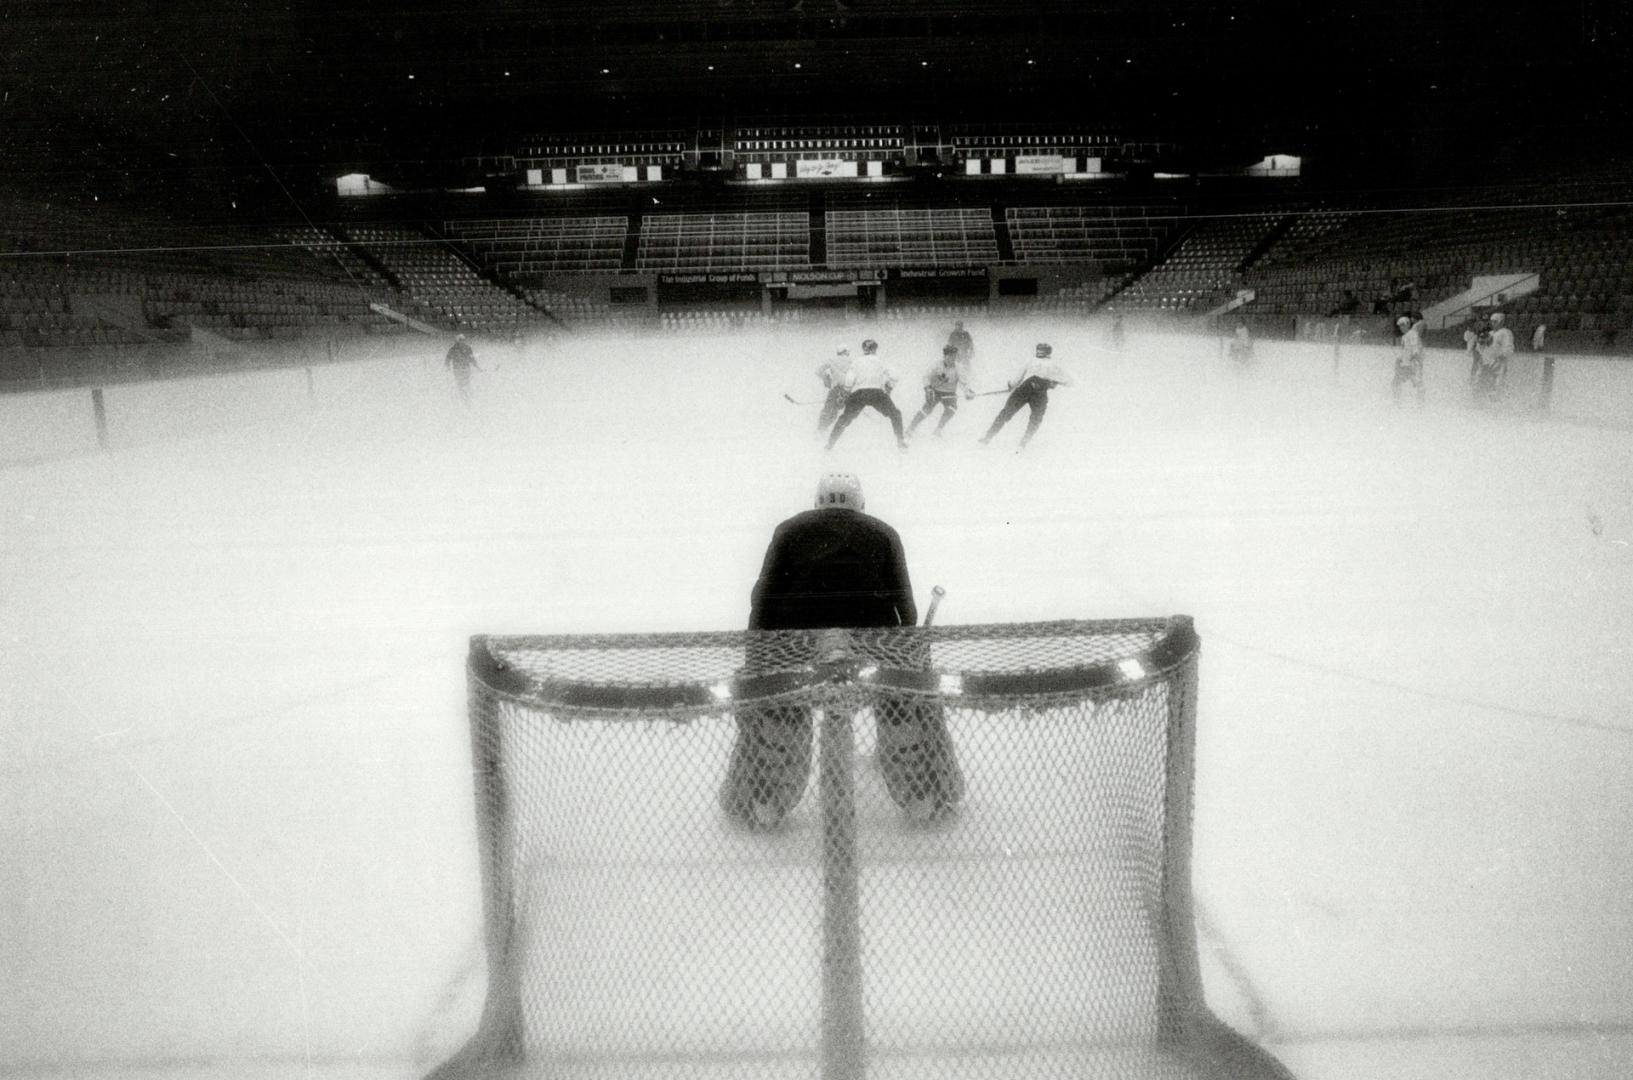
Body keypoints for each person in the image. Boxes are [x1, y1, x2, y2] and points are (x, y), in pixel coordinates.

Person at [720, 473, 964, 827]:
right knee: (901, 702)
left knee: (783, 709)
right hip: (872, 644)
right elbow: (905, 607)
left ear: (817, 502)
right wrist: (910, 659)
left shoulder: (788, 530)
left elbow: (762, 599)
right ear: (860, 504)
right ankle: (919, 789)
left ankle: (767, 796)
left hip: (797, 644)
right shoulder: (884, 533)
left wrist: (759, 659)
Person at [980, 342, 1072, 450]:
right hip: (1039, 392)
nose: (1039, 352)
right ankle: (1023, 443)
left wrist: (1011, 385)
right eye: (1039, 350)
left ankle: (988, 437)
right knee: (1036, 419)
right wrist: (1054, 382)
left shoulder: (1031, 361)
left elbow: (1018, 377)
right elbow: (1069, 382)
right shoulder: (1053, 364)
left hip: (1025, 388)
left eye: (1040, 350)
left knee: (1006, 413)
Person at [825, 338, 908, 451]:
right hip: (876, 393)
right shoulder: (880, 361)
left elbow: (849, 379)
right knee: (895, 414)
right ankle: (901, 442)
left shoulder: (856, 362)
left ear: (863, 349)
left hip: (860, 393)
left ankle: (829, 445)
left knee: (844, 419)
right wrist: (889, 386)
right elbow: (895, 376)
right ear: (875, 349)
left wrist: (845, 393)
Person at [907, 343, 975, 438]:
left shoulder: (958, 367)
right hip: (935, 392)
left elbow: (964, 383)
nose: (952, 359)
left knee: (952, 409)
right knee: (926, 410)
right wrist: (928, 389)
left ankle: (938, 430)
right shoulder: (936, 365)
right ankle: (910, 428)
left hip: (950, 394)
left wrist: (968, 392)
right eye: (950, 356)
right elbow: (926, 377)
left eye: (954, 356)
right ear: (945, 356)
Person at [814, 346, 853, 434]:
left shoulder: (831, 360)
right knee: (837, 410)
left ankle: (821, 429)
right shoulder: (853, 362)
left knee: (828, 410)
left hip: (835, 389)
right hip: (847, 390)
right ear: (846, 352)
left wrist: (826, 379)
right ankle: (831, 430)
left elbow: (818, 371)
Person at [1392, 314, 1426, 405]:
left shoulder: (1412, 334)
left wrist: (1415, 358)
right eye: (1400, 326)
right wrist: (1399, 359)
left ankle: (1419, 402)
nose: (1401, 327)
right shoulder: (1404, 336)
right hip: (1405, 364)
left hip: (1411, 364)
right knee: (1412, 382)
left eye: (1403, 325)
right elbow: (1404, 350)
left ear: (1408, 324)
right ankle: (1398, 401)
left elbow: (1416, 347)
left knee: (1414, 383)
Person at [444, 333, 481, 403]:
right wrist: (447, 367)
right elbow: (448, 358)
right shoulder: (453, 349)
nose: (462, 341)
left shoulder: (467, 348)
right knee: (460, 383)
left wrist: (477, 367)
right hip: (457, 369)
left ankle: (467, 396)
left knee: (466, 382)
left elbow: (472, 358)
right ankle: (463, 396)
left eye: (463, 340)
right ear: (457, 341)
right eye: (460, 340)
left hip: (465, 368)